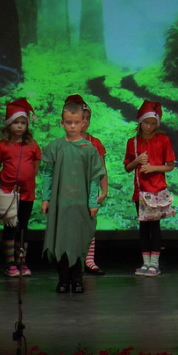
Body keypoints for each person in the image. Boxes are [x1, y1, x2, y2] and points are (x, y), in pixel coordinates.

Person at [40, 100, 106, 293]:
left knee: (78, 240)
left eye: (76, 122)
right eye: (68, 122)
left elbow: (94, 177)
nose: (72, 126)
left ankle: (77, 280)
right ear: (62, 123)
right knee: (61, 240)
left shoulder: (88, 149)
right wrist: (46, 198)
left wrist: (92, 202)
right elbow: (48, 174)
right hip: (60, 204)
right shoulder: (56, 147)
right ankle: (63, 280)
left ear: (83, 123)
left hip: (80, 204)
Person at [124, 100, 176, 276]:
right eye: (146, 122)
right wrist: (137, 161)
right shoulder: (133, 142)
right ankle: (145, 263)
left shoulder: (163, 140)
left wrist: (153, 168)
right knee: (144, 227)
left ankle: (155, 263)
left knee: (154, 226)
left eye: (153, 123)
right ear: (140, 121)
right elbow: (127, 167)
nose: (149, 126)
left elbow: (170, 165)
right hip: (140, 192)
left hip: (157, 190)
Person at [0, 98, 41, 277]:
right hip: (8, 192)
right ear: (9, 124)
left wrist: (29, 178)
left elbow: (36, 163)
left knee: (23, 226)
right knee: (10, 227)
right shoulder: (2, 145)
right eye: (16, 122)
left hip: (27, 192)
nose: (20, 126)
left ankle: (22, 261)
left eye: (23, 123)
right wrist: (3, 180)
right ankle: (10, 262)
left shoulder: (31, 144)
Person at [66, 94, 108, 275]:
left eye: (87, 118)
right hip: (70, 191)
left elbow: (101, 168)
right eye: (81, 118)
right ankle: (72, 258)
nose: (85, 122)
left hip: (89, 190)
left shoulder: (94, 142)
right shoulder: (65, 142)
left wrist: (104, 189)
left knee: (89, 224)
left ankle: (89, 260)